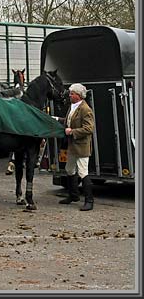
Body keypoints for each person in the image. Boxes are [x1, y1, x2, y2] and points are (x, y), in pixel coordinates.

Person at [57, 83, 95, 211]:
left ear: (78, 96)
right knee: (69, 169)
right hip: (72, 145)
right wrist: (57, 119)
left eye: (72, 93)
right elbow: (69, 121)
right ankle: (73, 196)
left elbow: (89, 128)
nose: (69, 95)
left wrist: (72, 132)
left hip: (81, 146)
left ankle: (89, 201)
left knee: (83, 172)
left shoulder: (86, 109)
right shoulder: (72, 106)